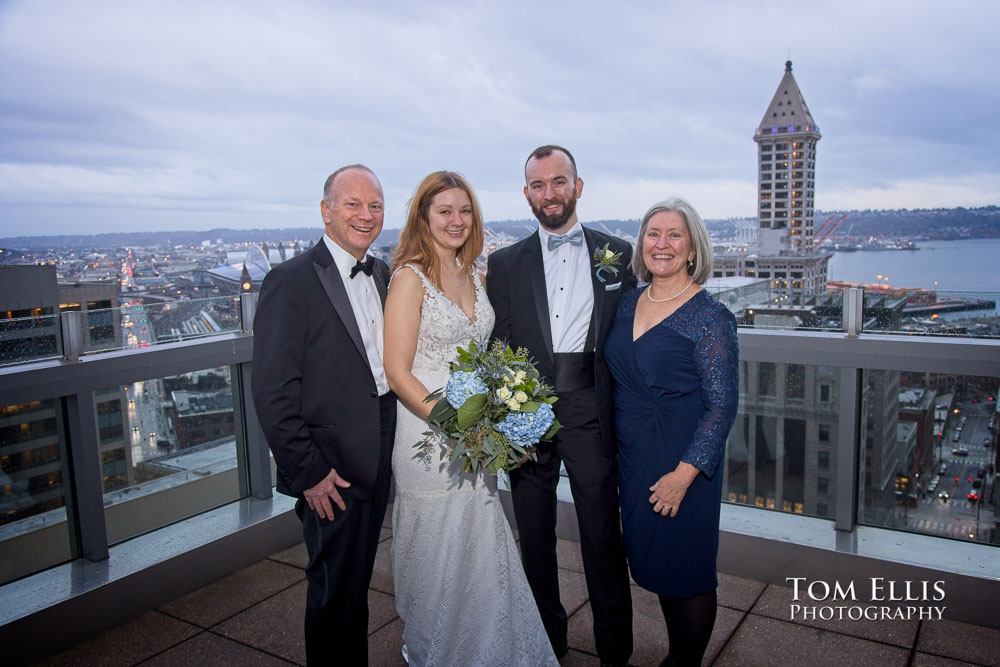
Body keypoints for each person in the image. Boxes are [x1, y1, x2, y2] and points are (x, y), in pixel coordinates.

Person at [384, 171, 557, 666]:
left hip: (475, 437)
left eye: (465, 211)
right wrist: (459, 425)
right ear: (423, 218)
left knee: (480, 548)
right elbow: (398, 372)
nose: (456, 221)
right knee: (438, 551)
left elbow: (489, 359)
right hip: (429, 436)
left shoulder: (477, 276)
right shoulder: (408, 279)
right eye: (445, 211)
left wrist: (499, 420)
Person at [486, 145, 635, 665]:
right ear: (526, 193)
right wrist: (509, 422)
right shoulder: (503, 264)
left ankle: (615, 650)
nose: (549, 193)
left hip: (593, 412)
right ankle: (546, 644)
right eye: (538, 185)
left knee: (601, 536)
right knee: (535, 536)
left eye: (558, 181)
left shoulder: (617, 252)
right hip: (527, 413)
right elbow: (498, 349)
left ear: (578, 185)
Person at [251, 165, 395, 665]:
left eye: (374, 205)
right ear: (326, 210)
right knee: (333, 591)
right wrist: (308, 472)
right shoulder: (289, 281)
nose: (365, 215)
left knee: (356, 586)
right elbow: (272, 392)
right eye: (352, 204)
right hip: (329, 465)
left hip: (381, 446)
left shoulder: (381, 273)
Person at [603, 197, 739, 667]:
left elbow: (722, 407)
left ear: (692, 248)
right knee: (656, 562)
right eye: (653, 234)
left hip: (684, 458)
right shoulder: (624, 304)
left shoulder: (711, 317)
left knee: (688, 569)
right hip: (635, 457)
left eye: (674, 235)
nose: (662, 244)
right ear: (642, 244)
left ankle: (685, 661)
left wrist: (684, 475)